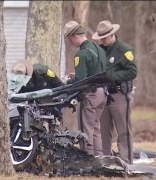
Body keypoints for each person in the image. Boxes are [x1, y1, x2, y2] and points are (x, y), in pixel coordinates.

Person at [92, 20, 137, 164]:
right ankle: (107, 161)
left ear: (112, 35)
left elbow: (132, 71)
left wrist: (113, 77)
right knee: (104, 131)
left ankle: (126, 161)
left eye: (104, 38)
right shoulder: (100, 50)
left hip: (120, 95)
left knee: (123, 130)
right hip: (104, 95)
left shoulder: (124, 50)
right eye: (101, 38)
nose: (103, 41)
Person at [63, 21, 107, 156]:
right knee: (96, 128)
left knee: (86, 129)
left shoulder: (81, 54)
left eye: (70, 40)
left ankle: (87, 159)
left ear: (75, 37)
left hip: (90, 94)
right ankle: (99, 158)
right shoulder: (99, 49)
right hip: (103, 92)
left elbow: (80, 81)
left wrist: (68, 81)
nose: (71, 43)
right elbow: (95, 71)